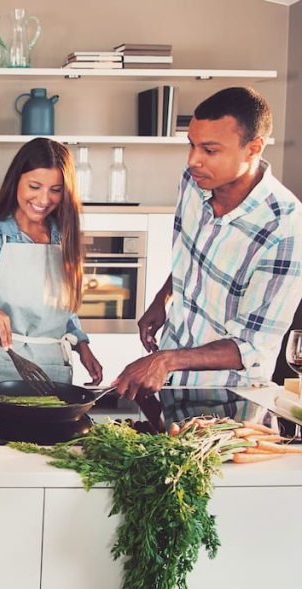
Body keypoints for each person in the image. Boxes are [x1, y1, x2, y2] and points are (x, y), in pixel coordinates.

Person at [113, 87, 302, 399]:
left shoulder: (285, 228)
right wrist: (163, 298)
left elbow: (253, 345)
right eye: (191, 145)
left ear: (253, 148)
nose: (193, 160)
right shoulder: (194, 182)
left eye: (210, 150)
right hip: (173, 380)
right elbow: (192, 252)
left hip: (231, 396)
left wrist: (165, 360)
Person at [0, 137, 102, 386]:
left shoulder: (64, 235)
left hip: (51, 373)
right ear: (16, 181)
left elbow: (60, 309)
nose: (44, 199)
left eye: (55, 190)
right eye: (34, 186)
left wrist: (82, 344)